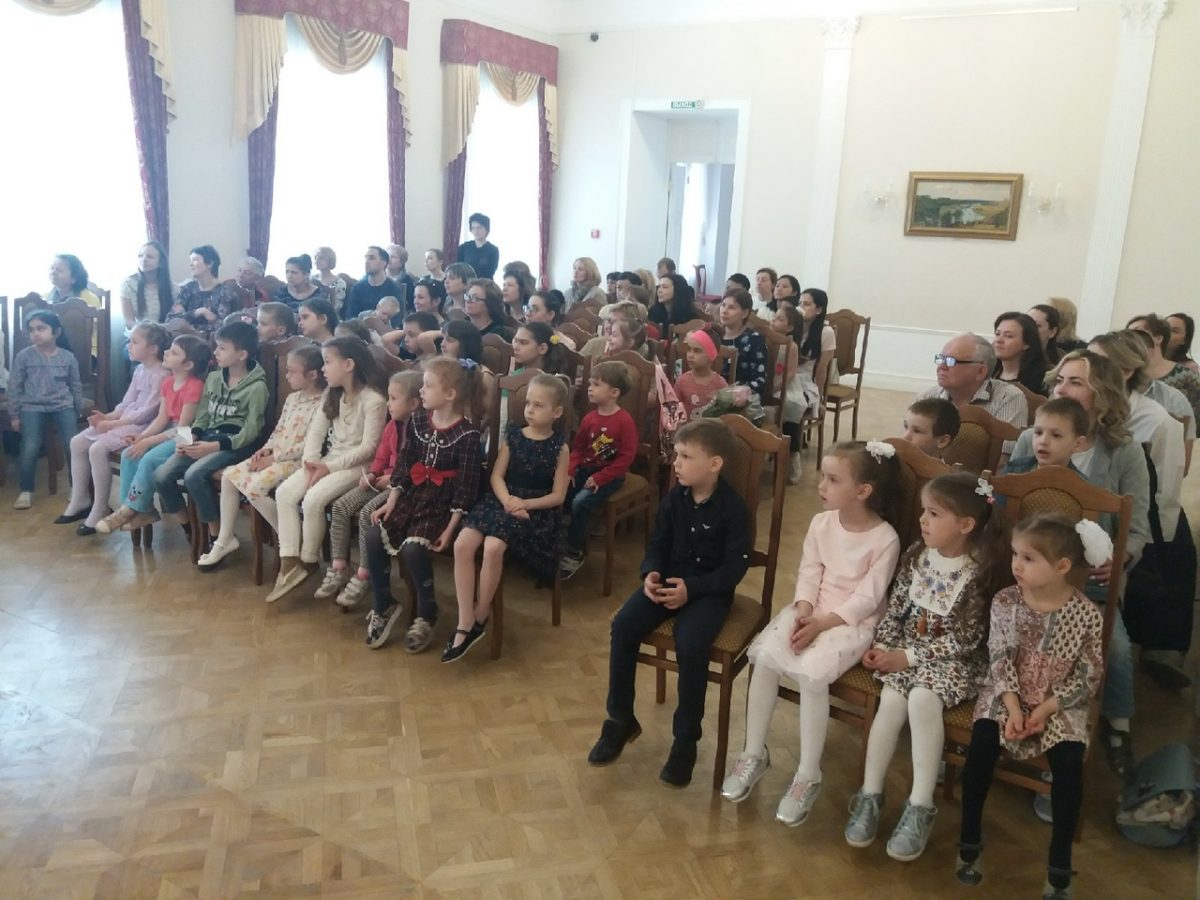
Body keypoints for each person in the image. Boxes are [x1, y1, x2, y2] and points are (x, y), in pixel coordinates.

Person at [720, 441, 901, 825]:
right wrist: (803, 611)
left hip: (850, 623)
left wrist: (822, 624)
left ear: (863, 490)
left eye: (833, 479)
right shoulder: (821, 523)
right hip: (811, 610)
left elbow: (868, 598)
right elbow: (809, 571)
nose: (821, 486)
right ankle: (754, 753)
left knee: (812, 675)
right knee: (766, 658)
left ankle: (808, 774)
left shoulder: (885, 538)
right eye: (823, 476)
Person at [844, 471, 1007, 861]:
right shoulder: (918, 554)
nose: (922, 519)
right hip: (907, 650)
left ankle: (920, 806)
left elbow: (967, 638)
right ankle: (870, 795)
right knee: (891, 700)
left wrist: (907, 658)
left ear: (965, 525)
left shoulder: (978, 568)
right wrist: (883, 646)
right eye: (924, 511)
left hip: (955, 661)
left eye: (934, 513)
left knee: (921, 698)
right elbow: (897, 607)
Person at [1007, 351, 1150, 779]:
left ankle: (1117, 725)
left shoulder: (1123, 451)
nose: (1061, 389)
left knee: (1115, 648)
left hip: (1089, 579)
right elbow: (1006, 497)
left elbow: (1137, 527)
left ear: (1101, 394)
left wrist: (1120, 558)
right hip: (1026, 572)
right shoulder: (1029, 442)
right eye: (1059, 381)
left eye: (1074, 382)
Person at [955, 515, 1110, 900]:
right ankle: (969, 841)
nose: (1016, 565)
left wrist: (1045, 710)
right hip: (1007, 693)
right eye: (1015, 554)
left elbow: (1089, 675)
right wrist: (1012, 706)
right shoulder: (1006, 601)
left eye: (1028, 558)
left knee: (1069, 766)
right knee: (981, 748)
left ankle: (1059, 868)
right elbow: (999, 657)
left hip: (1059, 703)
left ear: (1062, 566)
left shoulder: (1087, 615)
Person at [588, 418, 750, 785]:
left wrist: (692, 589)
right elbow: (658, 542)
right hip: (667, 582)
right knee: (624, 625)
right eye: (676, 454)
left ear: (715, 464)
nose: (676, 463)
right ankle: (620, 719)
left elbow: (734, 568)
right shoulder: (675, 497)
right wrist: (651, 573)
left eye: (686, 456)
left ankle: (685, 741)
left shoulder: (732, 508)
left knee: (690, 643)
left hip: (707, 593)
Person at [446, 373, 572, 662]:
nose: (530, 410)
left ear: (556, 412)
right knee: (462, 544)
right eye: (528, 403)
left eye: (538, 405)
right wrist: (507, 501)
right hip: (501, 499)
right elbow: (496, 476)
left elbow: (558, 496)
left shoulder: (560, 447)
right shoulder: (513, 436)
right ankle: (465, 619)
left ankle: (481, 615)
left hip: (534, 509)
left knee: (493, 546)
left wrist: (523, 503)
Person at [362, 357, 485, 651]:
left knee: (413, 548)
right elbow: (405, 464)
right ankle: (384, 603)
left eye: (428, 386)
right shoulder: (418, 421)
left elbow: (466, 488)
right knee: (373, 535)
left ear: (450, 394)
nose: (421, 391)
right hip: (412, 496)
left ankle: (427, 612)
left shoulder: (468, 435)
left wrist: (451, 528)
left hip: (441, 505)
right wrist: (391, 502)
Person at [258, 337, 388, 601]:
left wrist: (327, 467)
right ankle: (289, 560)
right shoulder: (332, 393)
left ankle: (308, 561)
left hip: (356, 467)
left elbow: (368, 449)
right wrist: (311, 462)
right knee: (284, 493)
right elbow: (315, 433)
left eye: (328, 362)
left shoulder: (373, 400)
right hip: (326, 462)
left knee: (313, 499)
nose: (323, 369)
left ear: (348, 365)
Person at [127, 322, 269, 553]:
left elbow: (251, 432)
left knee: (193, 475)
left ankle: (217, 535)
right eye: (216, 346)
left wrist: (214, 446)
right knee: (161, 475)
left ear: (241, 355)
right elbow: (201, 418)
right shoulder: (214, 378)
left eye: (222, 348)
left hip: (236, 445)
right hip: (208, 438)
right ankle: (190, 529)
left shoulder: (257, 387)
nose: (216, 352)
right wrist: (187, 440)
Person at [198, 345, 328, 570]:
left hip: (296, 462)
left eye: (292, 371)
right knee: (229, 477)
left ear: (313, 374)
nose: (287, 376)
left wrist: (274, 457)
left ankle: (290, 538)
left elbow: (310, 444)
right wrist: (266, 450)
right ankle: (225, 539)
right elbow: (279, 430)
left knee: (254, 489)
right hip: (275, 456)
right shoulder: (293, 398)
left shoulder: (324, 403)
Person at [313, 370, 423, 607]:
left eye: (394, 399)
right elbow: (381, 455)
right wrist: (373, 473)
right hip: (382, 480)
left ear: (414, 404)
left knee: (367, 514)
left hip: (403, 486)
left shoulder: (422, 432)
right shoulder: (392, 426)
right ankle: (339, 566)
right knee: (341, 506)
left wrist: (392, 478)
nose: (388, 403)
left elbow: (418, 467)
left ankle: (365, 573)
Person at [57, 322, 170, 532]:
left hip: (143, 427)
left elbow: (148, 412)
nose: (129, 346)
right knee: (77, 442)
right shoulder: (139, 370)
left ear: (153, 348)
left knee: (97, 449)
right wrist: (107, 417)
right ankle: (80, 499)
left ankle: (100, 507)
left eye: (134, 342)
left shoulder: (162, 375)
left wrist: (112, 423)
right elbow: (127, 402)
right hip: (124, 421)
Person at [96, 335, 209, 534]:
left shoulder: (195, 386)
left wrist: (148, 442)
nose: (166, 352)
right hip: (170, 431)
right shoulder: (168, 382)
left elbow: (183, 428)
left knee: (148, 459)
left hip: (187, 435)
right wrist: (143, 437)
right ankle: (139, 510)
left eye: (174, 352)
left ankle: (129, 510)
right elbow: (162, 419)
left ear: (188, 364)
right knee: (129, 454)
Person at [559, 361, 639, 579]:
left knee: (580, 502)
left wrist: (600, 478)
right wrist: (570, 471)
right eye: (590, 384)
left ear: (614, 392)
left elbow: (625, 459)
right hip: (585, 470)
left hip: (610, 476)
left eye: (596, 384)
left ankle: (574, 552)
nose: (589, 388)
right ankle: (560, 536)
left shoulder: (624, 421)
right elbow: (578, 448)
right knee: (560, 491)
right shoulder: (589, 418)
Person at [8, 311, 83, 510]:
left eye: (41, 328)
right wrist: (14, 414)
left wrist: (77, 408)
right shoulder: (24, 356)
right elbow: (14, 386)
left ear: (56, 332)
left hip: (62, 404)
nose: (36, 333)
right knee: (30, 445)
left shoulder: (67, 357)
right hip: (32, 405)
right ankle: (26, 489)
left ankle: (76, 488)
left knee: (72, 444)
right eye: (32, 329)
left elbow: (75, 384)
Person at [780, 288, 836, 482]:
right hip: (784, 375)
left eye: (806, 304)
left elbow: (821, 370)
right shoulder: (792, 325)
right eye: (800, 303)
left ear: (818, 309)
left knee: (791, 403)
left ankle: (793, 454)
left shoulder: (826, 332)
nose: (801, 307)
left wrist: (820, 399)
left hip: (806, 382)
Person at [915, 334, 1028, 430]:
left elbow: (1008, 448)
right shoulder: (927, 397)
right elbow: (909, 444)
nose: (942, 366)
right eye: (941, 358)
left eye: (951, 361)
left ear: (980, 371)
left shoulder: (1007, 398)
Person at [1128, 313, 1200, 426]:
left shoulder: (1188, 375)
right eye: (1128, 334)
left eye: (1139, 332)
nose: (1132, 338)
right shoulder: (1125, 372)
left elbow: (1193, 423)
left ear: (1158, 338)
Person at [170, 245, 238, 336]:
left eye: (195, 260)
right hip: (183, 339)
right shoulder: (188, 288)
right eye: (190, 261)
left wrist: (185, 321)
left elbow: (223, 326)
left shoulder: (225, 292)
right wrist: (199, 312)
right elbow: (171, 319)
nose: (190, 264)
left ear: (210, 263)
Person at [717, 288, 769, 399]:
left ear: (744, 313)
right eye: (723, 305)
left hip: (738, 398)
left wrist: (732, 393)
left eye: (731, 307)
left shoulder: (754, 340)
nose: (724, 311)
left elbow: (759, 381)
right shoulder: (713, 335)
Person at [119, 241, 176, 328]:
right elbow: (129, 321)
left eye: (149, 257)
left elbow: (175, 321)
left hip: (164, 332)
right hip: (139, 332)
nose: (143, 260)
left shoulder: (172, 288)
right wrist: (145, 331)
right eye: (140, 256)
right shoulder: (128, 285)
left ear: (161, 262)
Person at [674, 328, 727, 420]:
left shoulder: (720, 384)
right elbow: (673, 410)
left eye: (697, 351)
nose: (690, 355)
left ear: (710, 355)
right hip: (686, 428)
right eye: (689, 349)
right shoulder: (682, 382)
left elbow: (725, 415)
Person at [992, 312, 1048, 394]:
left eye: (1009, 336)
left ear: (1027, 343)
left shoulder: (1042, 379)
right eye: (997, 334)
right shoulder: (988, 371)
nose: (998, 340)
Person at [344, 247, 400, 319]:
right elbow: (350, 317)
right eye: (366, 258)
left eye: (371, 258)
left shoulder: (394, 289)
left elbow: (397, 320)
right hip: (360, 325)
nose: (366, 262)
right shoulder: (357, 288)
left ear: (384, 263)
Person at [457, 212, 499, 279]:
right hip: (467, 283)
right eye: (473, 228)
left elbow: (490, 272)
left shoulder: (493, 250)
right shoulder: (464, 247)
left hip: (485, 283)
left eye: (479, 228)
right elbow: (459, 269)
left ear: (486, 229)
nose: (476, 231)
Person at [385, 244, 417, 310]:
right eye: (388, 256)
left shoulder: (407, 280)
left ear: (401, 263)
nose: (389, 259)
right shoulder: (379, 277)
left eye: (393, 257)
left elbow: (410, 304)